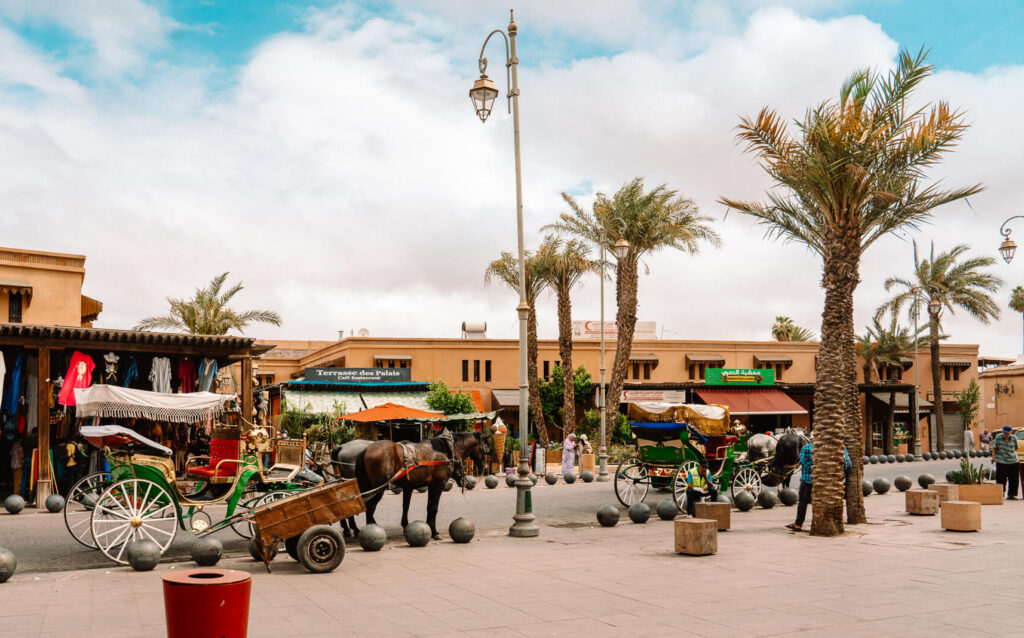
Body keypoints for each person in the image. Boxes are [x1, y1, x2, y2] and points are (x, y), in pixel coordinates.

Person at [786, 435, 851, 531]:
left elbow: (803, 462)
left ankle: (798, 524)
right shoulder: (839, 448)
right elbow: (848, 464)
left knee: (803, 501)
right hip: (830, 482)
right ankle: (830, 523)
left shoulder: (807, 447)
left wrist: (815, 468)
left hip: (808, 479)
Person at [991, 425, 1020, 500]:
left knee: (1014, 479)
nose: (1005, 435)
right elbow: (994, 448)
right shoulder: (998, 437)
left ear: (1011, 432)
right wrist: (993, 457)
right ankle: (1001, 494)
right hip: (1001, 461)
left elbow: (1016, 448)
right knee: (1001, 478)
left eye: (1007, 433)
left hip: (1013, 461)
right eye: (1004, 433)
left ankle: (1012, 495)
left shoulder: (1014, 438)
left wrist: (1012, 456)